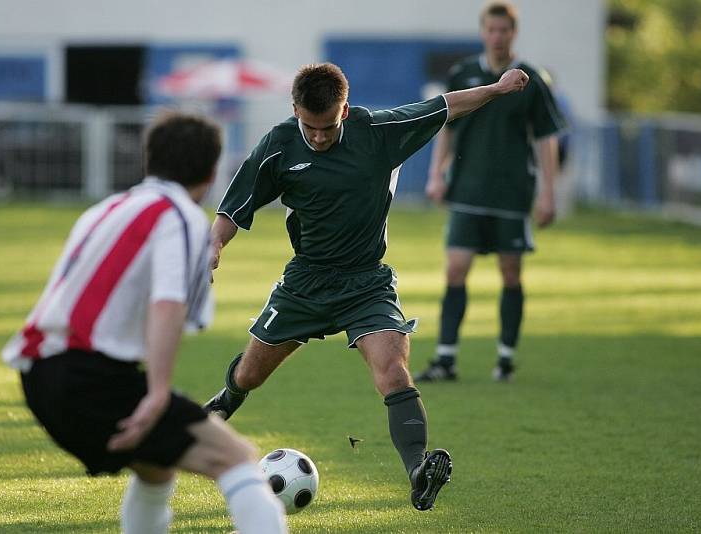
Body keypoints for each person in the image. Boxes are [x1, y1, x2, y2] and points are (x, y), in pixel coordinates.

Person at [203, 62, 529, 511]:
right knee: (251, 373)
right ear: (295, 109)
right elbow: (233, 205)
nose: (318, 137)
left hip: (366, 283)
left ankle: (418, 471)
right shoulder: (278, 146)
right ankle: (227, 398)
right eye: (309, 126)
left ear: (346, 109)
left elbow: (444, 107)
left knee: (393, 371)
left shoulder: (376, 132)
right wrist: (215, 245)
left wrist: (496, 88)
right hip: (306, 282)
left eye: (329, 127)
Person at [2, 112, 288, 534]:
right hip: (87, 376)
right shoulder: (182, 217)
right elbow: (167, 303)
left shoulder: (108, 207)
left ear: (148, 161)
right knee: (237, 460)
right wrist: (156, 395)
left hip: (39, 374)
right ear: (211, 173)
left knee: (156, 469)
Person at [415, 1, 567, 384]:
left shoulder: (531, 79)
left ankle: (505, 359)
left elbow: (547, 137)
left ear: (514, 33)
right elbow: (445, 124)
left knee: (511, 272)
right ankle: (446, 359)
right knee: (455, 269)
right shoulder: (463, 73)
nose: (497, 37)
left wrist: (549, 193)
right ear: (483, 31)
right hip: (466, 188)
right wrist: (437, 174)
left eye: (504, 31)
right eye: (491, 30)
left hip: (512, 192)